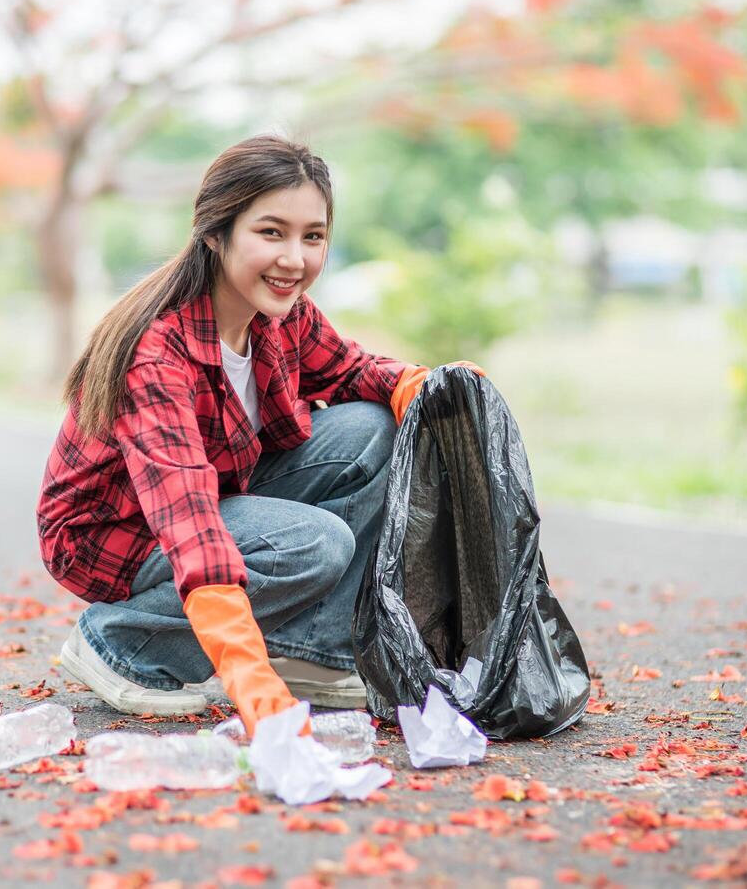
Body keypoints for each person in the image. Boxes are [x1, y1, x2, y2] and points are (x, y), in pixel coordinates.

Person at [37, 135, 485, 736]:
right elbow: (187, 513)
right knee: (314, 544)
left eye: (313, 236)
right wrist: (245, 674)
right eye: (270, 233)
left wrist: (425, 388)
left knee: (374, 426)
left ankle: (308, 650)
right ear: (215, 234)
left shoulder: (281, 313)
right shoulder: (157, 353)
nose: (294, 259)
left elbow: (351, 371)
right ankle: (124, 645)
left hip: (219, 484)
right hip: (116, 529)